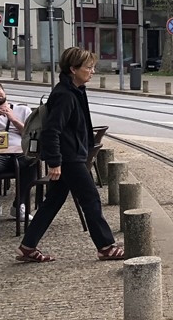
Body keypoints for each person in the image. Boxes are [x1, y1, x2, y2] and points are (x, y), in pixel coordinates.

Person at [16, 47, 125, 263]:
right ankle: (105, 246)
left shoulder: (75, 90)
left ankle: (27, 246)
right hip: (68, 158)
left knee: (53, 200)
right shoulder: (65, 95)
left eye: (93, 67)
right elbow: (52, 131)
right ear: (73, 69)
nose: (92, 71)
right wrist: (55, 162)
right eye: (88, 67)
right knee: (90, 198)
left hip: (71, 155)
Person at [0, 79, 39, 224]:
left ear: (3, 91)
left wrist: (13, 119)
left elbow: (31, 134)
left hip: (20, 153)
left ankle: (19, 205)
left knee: (31, 160)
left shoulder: (22, 110)